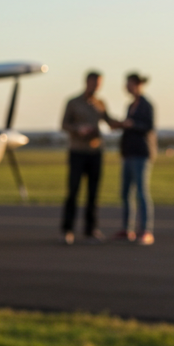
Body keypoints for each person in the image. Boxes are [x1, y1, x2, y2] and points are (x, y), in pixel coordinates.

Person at [60, 70, 114, 244]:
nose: (97, 86)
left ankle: (91, 229)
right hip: (77, 151)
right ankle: (68, 229)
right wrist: (78, 129)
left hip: (95, 153)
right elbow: (63, 124)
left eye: (99, 83)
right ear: (87, 82)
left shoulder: (100, 103)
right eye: (94, 83)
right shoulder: (73, 102)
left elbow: (109, 121)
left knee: (93, 193)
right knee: (73, 191)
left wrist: (127, 123)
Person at [116, 72, 156, 245]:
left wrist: (132, 124)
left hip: (140, 154)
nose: (127, 86)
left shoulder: (146, 105)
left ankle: (146, 231)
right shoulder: (130, 105)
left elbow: (149, 127)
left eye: (130, 83)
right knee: (125, 193)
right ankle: (128, 229)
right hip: (128, 154)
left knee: (141, 192)